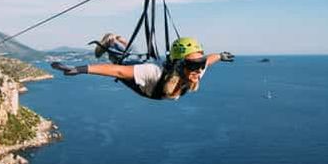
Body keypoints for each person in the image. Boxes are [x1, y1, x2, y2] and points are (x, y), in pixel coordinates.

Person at [51, 35, 234, 100]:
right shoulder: (154, 74)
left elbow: (208, 60)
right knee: (120, 61)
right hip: (143, 83)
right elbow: (118, 72)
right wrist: (80, 69)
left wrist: (221, 55)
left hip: (151, 82)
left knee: (135, 56)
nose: (199, 68)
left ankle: (119, 40)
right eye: (194, 64)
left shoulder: (195, 71)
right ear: (179, 65)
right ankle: (112, 40)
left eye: (199, 63)